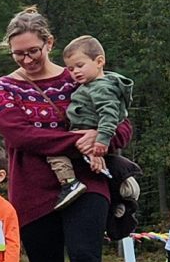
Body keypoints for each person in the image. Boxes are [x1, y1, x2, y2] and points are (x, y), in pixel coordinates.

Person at [0, 7, 118, 262]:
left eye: (33, 51)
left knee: (85, 257)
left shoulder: (78, 75)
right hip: (32, 191)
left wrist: (103, 138)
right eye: (18, 54)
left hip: (86, 182)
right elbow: (18, 134)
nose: (27, 59)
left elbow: (119, 119)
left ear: (49, 43)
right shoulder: (3, 88)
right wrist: (76, 140)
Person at [51, 36, 137, 214]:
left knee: (54, 151)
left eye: (80, 65)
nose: (75, 72)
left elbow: (110, 114)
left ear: (99, 61)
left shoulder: (101, 88)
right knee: (98, 166)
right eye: (71, 69)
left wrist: (101, 140)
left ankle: (69, 183)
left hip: (89, 134)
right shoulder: (89, 85)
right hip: (86, 134)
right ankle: (117, 198)